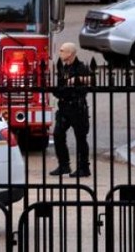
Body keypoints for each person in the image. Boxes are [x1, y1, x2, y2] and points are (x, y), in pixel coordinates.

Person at [50, 42, 93, 178]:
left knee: (80, 138)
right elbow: (59, 86)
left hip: (77, 107)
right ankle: (64, 165)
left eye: (63, 51)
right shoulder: (63, 68)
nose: (60, 52)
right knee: (58, 134)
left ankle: (83, 168)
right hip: (64, 107)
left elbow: (91, 80)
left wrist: (75, 80)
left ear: (70, 53)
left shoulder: (81, 67)